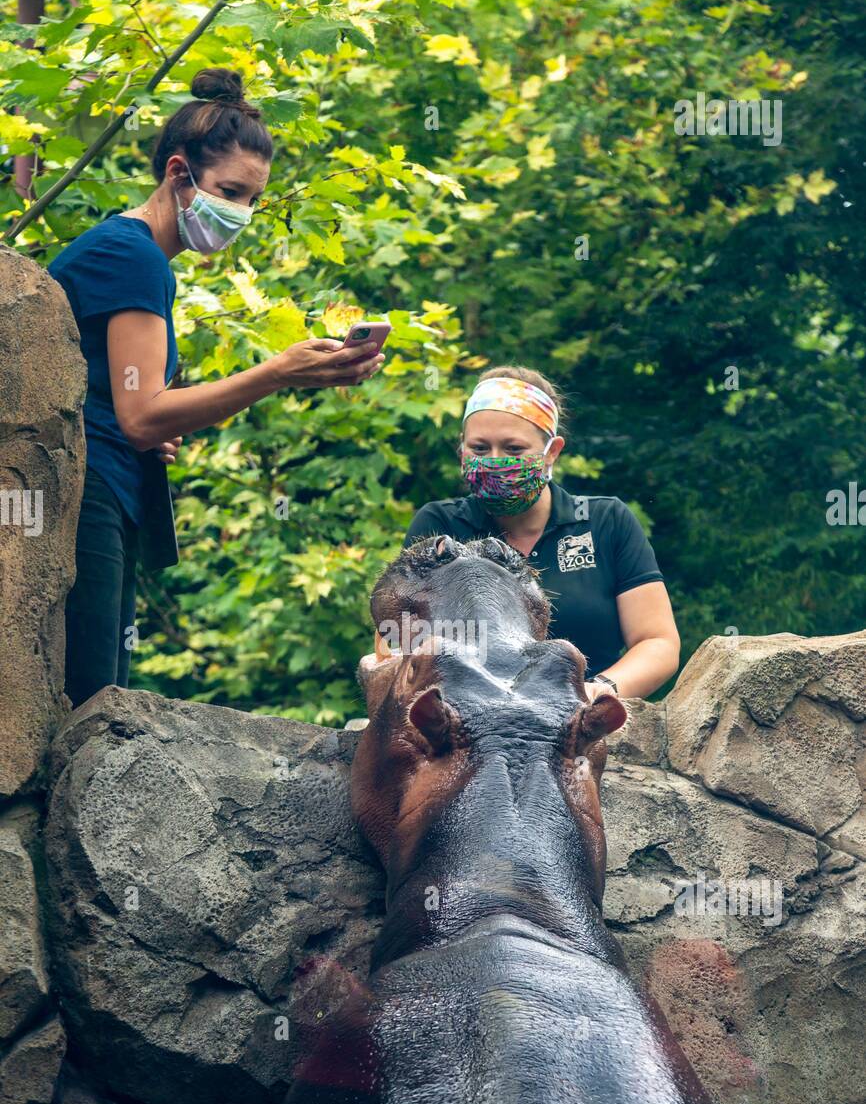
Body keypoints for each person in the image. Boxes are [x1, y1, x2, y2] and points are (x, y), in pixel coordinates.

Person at [48, 67, 384, 710]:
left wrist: (152, 423)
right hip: (81, 494)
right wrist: (277, 373)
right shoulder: (132, 254)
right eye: (230, 192)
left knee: (102, 697)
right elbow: (142, 415)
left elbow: (132, 408)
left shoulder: (140, 256)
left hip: (109, 488)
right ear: (179, 174)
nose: (241, 214)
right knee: (88, 704)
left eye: (252, 199)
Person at [398, 366, 680, 701]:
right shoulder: (440, 528)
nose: (495, 461)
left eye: (514, 449)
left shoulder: (606, 521)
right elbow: (401, 649)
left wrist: (596, 692)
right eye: (479, 448)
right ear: (462, 450)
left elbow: (657, 642)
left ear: (552, 452)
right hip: (472, 725)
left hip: (587, 721)